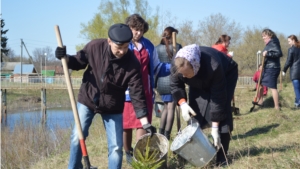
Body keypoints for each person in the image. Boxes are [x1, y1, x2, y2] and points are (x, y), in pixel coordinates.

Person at [55, 23, 156, 169]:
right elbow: (78, 61)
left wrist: (145, 122)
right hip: (88, 99)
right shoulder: (94, 47)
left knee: (116, 147)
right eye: (118, 47)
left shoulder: (132, 63)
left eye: (125, 47)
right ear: (109, 41)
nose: (122, 51)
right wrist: (64, 57)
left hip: (112, 105)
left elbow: (137, 93)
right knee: (77, 137)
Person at [170, 44, 238, 166]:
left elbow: (218, 99)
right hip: (199, 77)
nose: (184, 77)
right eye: (182, 74)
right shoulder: (176, 64)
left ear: (195, 66)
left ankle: (222, 157)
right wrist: (183, 104)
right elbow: (175, 86)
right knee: (196, 110)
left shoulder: (214, 66)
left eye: (187, 74)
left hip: (226, 74)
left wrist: (215, 127)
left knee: (223, 111)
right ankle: (201, 156)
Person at [122, 14, 170, 163]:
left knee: (143, 124)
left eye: (140, 30)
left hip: (146, 92)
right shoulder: (123, 44)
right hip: (126, 93)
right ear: (128, 28)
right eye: (134, 29)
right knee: (126, 125)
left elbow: (157, 67)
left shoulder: (148, 45)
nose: (137, 33)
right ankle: (128, 152)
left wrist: (174, 67)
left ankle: (139, 155)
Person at [155, 26, 182, 140]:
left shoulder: (156, 48)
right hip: (172, 81)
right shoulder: (177, 47)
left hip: (161, 82)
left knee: (166, 108)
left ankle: (161, 133)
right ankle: (167, 135)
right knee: (170, 108)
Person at [260, 28, 283, 110]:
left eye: (264, 36)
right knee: (260, 83)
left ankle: (277, 106)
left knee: (273, 87)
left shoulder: (274, 42)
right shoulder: (269, 43)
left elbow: (279, 53)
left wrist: (268, 53)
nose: (263, 38)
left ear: (269, 35)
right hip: (268, 67)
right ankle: (260, 102)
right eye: (262, 36)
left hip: (273, 68)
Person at [282, 35, 300, 108]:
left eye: (289, 41)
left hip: (295, 72)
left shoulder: (291, 49)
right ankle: (297, 103)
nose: (288, 43)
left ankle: (298, 102)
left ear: (293, 40)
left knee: (297, 89)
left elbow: (288, 61)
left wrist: (284, 70)